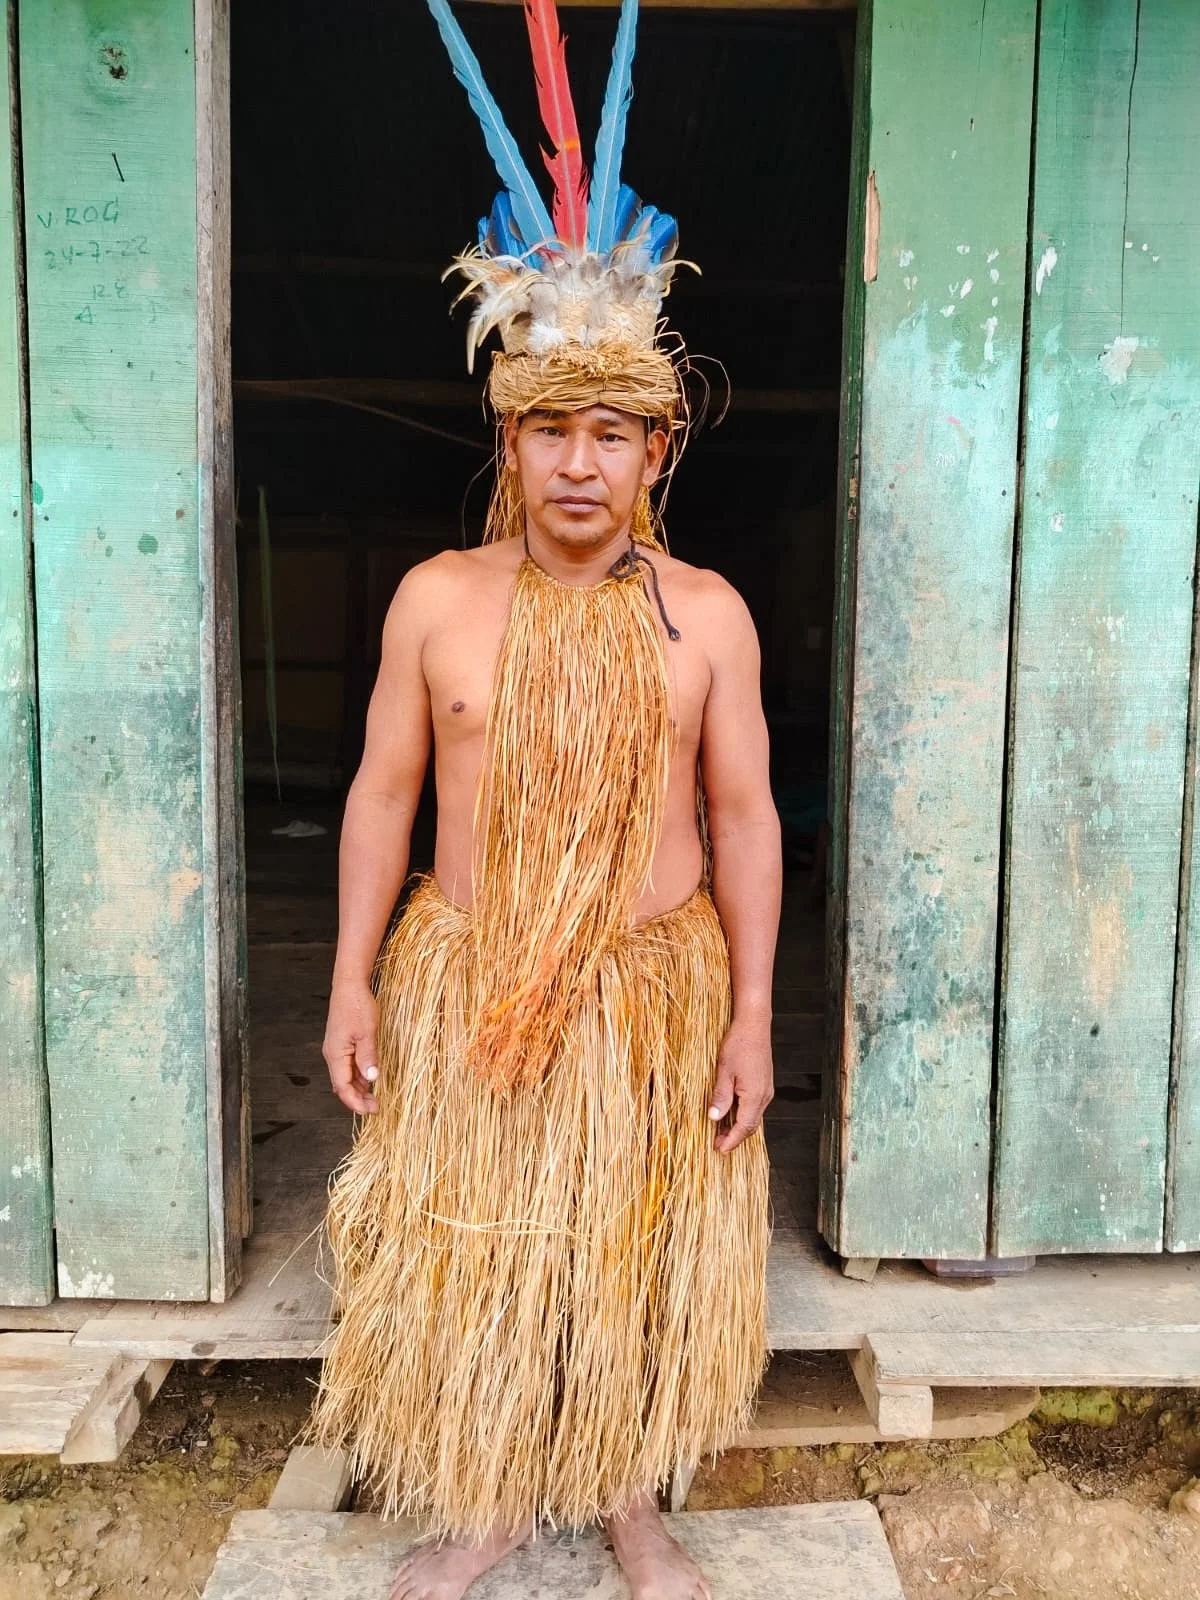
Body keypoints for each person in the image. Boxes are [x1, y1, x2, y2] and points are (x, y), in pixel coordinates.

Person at [310, 5, 781, 1598]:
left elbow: (748, 822)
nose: (581, 464)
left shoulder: (708, 617)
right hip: (476, 984)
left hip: (649, 990)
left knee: (640, 1246)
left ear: (657, 450)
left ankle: (635, 1502)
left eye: (612, 435)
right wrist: (352, 981)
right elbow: (380, 794)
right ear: (508, 444)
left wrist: (751, 1015)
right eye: (551, 432)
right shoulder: (438, 601)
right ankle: (493, 1502)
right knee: (484, 1250)